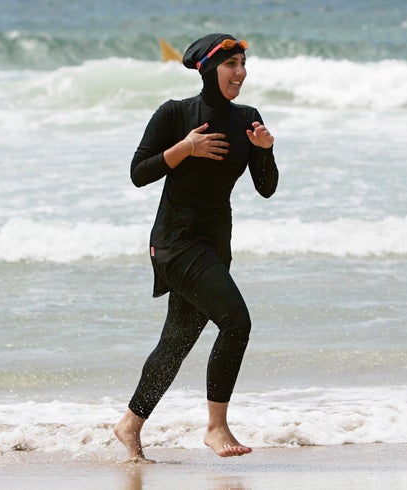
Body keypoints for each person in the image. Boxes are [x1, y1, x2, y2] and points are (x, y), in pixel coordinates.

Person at [114, 33, 279, 461]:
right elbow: (138, 173)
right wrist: (186, 147)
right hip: (175, 242)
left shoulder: (248, 118)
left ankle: (130, 425)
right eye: (231, 65)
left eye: (243, 64)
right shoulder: (175, 113)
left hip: (214, 244)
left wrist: (266, 150)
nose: (240, 73)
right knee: (236, 322)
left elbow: (266, 188)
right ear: (207, 68)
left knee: (176, 343)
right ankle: (216, 427)